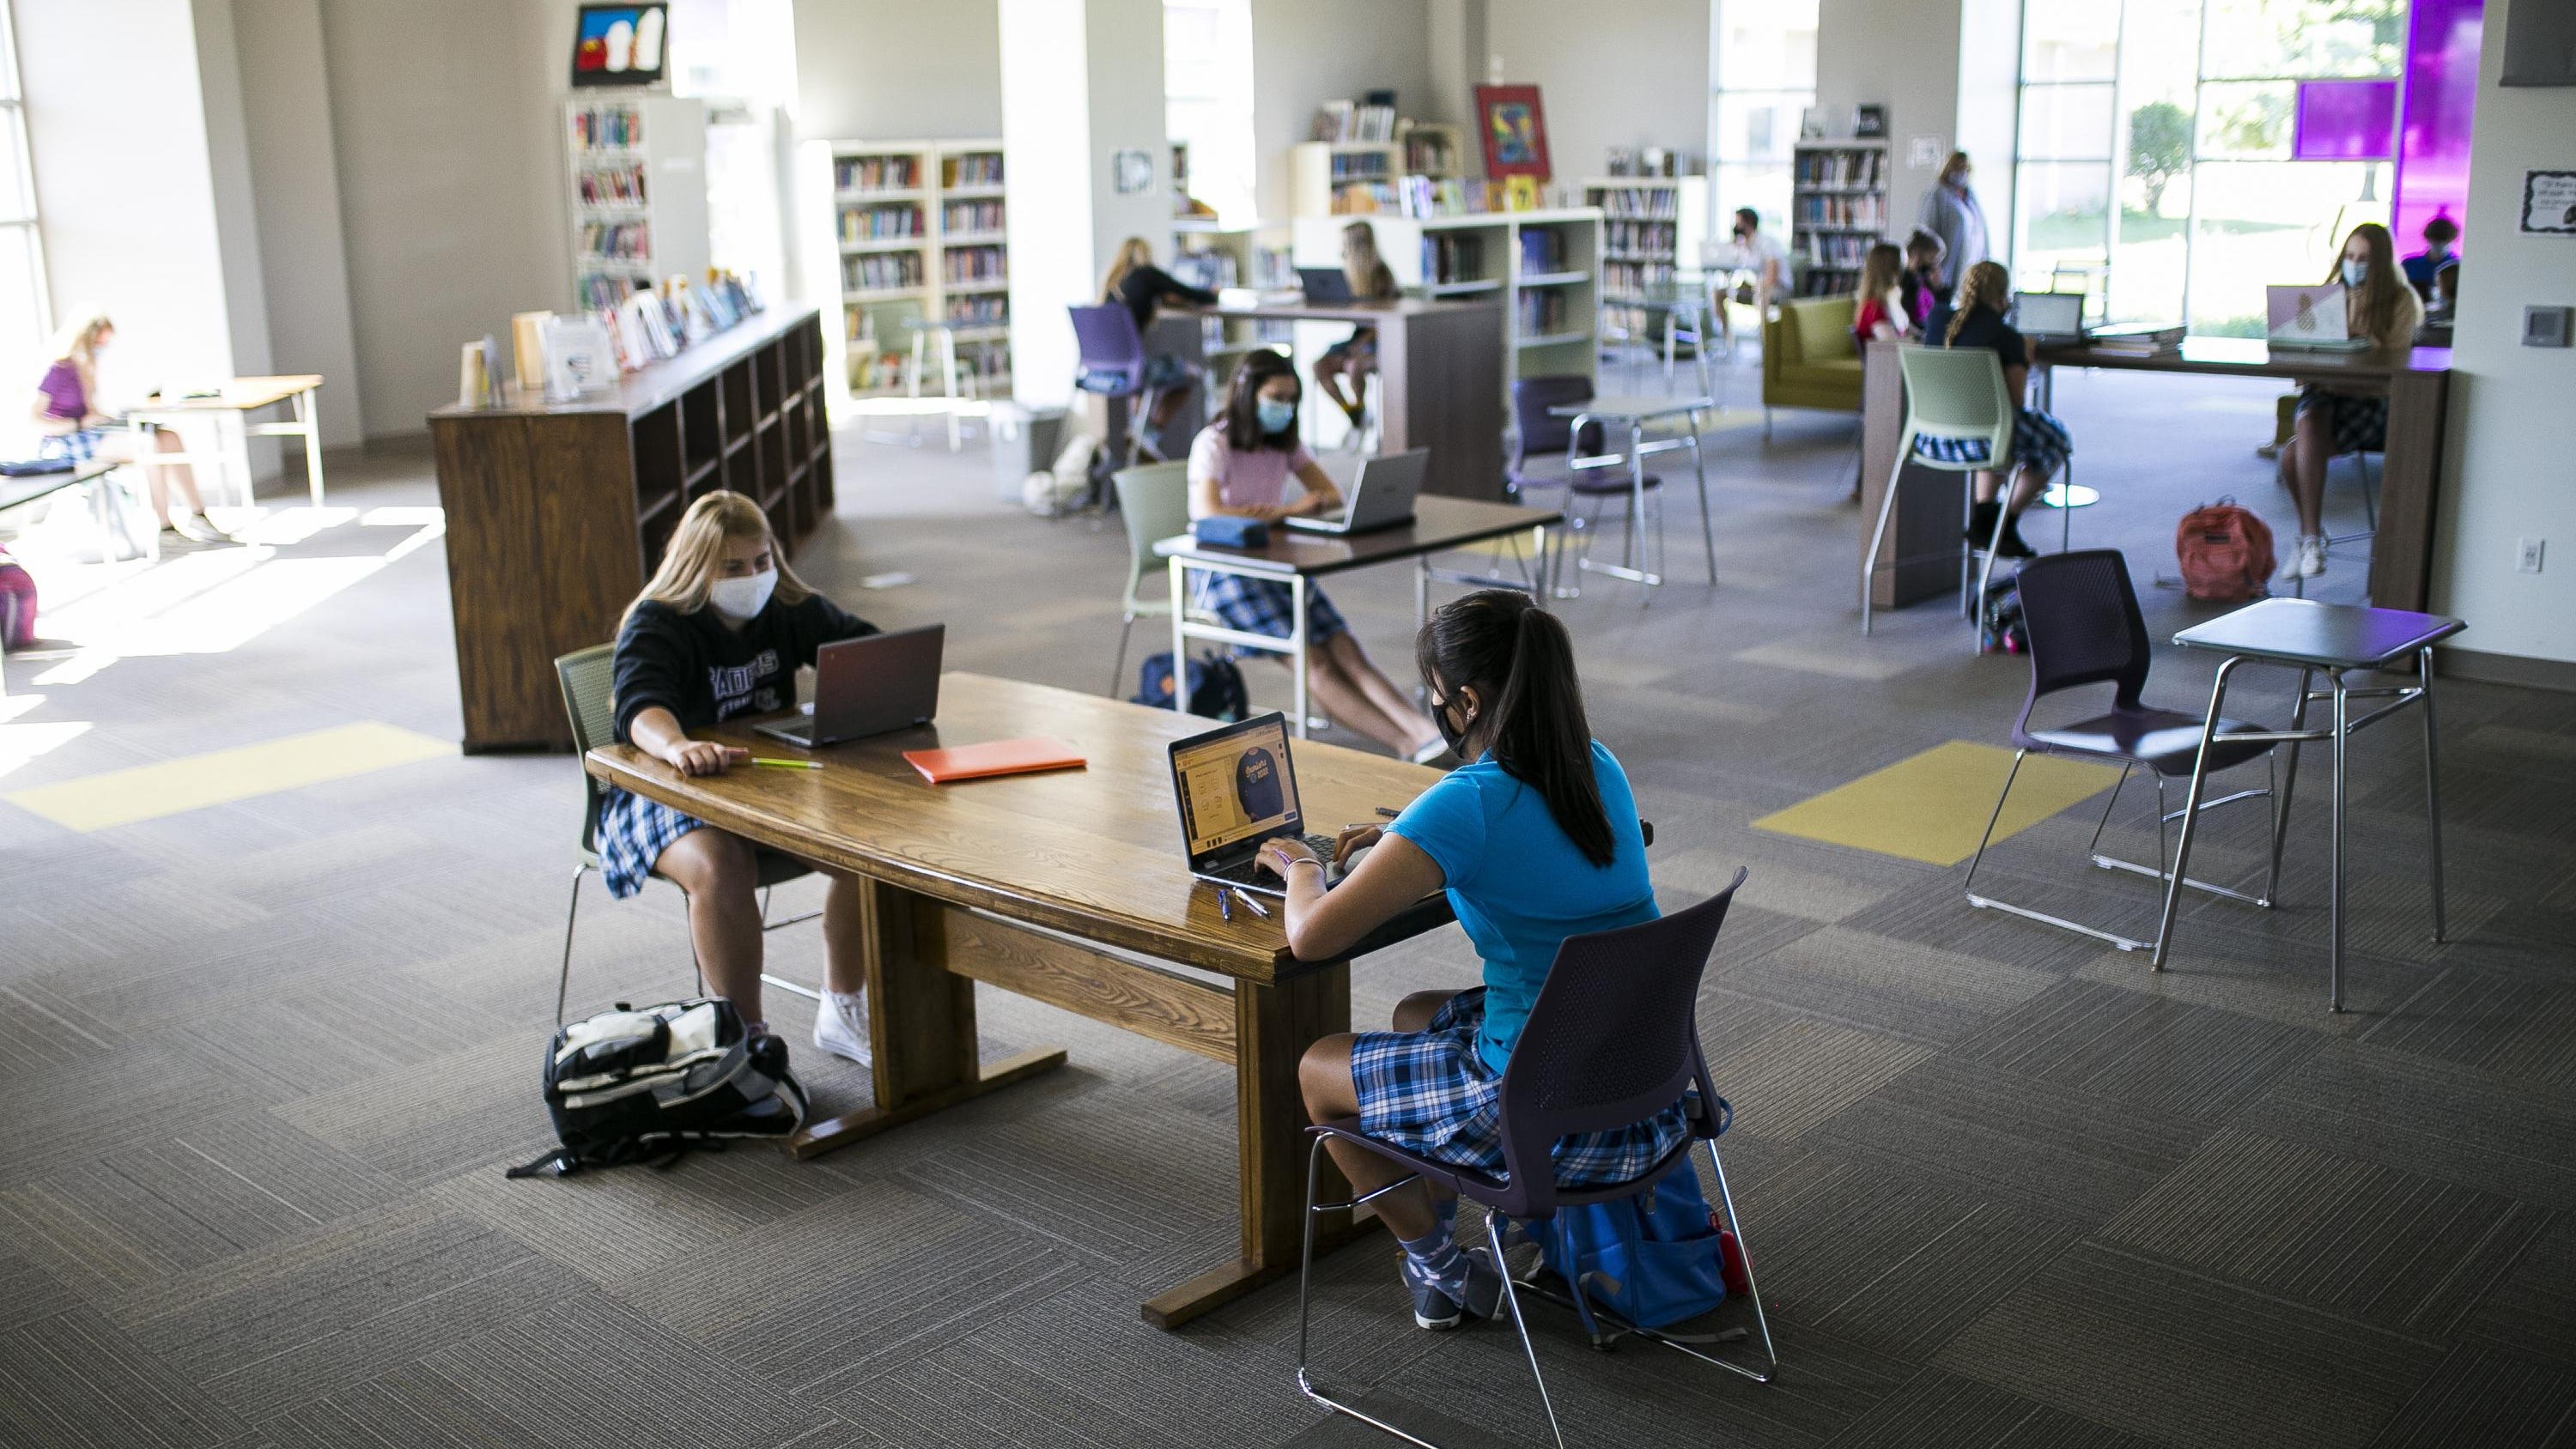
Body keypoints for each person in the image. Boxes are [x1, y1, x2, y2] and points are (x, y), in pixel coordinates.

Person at [1276, 589, 1674, 1331]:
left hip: (1547, 1113)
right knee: (1415, 1014)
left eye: (1433, 695)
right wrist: (1408, 836)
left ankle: (1440, 1270)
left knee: (1318, 1070)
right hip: (1642, 1083)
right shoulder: (1595, 763)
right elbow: (1510, 827)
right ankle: (1448, 1196)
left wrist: (1302, 865)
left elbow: (1312, 937)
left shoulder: (1466, 805)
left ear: (1464, 699)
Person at [604, 491, 881, 1065]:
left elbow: (863, 648)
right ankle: (744, 1036)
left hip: (764, 783)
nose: (752, 577)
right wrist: (678, 745)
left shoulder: (785, 604)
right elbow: (639, 710)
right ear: (695, 567)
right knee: (723, 863)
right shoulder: (659, 622)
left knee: (875, 846)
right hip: (663, 786)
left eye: (760, 561)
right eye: (732, 568)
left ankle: (843, 1003)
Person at [1186, 349, 1443, 761]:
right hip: (1223, 572)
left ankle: (1422, 729)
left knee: (1345, 647)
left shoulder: (1283, 444)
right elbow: (1207, 513)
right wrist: (1286, 510)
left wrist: (1277, 513)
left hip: (1276, 563)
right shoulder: (1213, 442)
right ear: (1246, 394)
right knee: (1315, 661)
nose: (1284, 408)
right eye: (1276, 398)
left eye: (1291, 399)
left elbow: (1328, 493)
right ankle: (1406, 743)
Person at [2277, 221, 2423, 579]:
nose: (2355, 264)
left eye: (2365, 259)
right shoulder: (2327, 297)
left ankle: (2309, 539)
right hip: (2326, 393)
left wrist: (2361, 343)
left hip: (2370, 399)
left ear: (2382, 262)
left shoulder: (2401, 301)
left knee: (2294, 454)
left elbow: (2393, 363)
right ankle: (2312, 538)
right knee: (2306, 426)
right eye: (2350, 256)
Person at [1921, 260, 2075, 561]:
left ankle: (1984, 515)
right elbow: (2014, 403)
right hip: (1983, 437)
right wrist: (2024, 359)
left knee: (1989, 428)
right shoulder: (2007, 338)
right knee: (2056, 440)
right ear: (2003, 295)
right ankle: (2005, 522)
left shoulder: (1938, 321)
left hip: (1932, 438)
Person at [27, 311, 218, 542]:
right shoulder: (58, 370)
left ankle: (197, 513)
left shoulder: (84, 368)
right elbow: (35, 420)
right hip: (65, 441)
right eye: (99, 343)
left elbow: (90, 411)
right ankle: (164, 527)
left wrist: (113, 418)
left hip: (88, 432)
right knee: (148, 445)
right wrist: (77, 423)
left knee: (169, 438)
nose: (102, 348)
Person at [1100, 237, 1218, 460]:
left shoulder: (1110, 285)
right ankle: (1148, 435)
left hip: (1105, 371)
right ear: (1147, 256)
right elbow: (1192, 293)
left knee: (1144, 376)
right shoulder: (1147, 275)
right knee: (1192, 373)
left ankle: (1138, 434)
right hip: (1135, 371)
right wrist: (1214, 292)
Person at [1311, 221, 1400, 433]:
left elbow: (1387, 320)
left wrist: (1361, 344)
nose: (1341, 251)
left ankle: (1360, 407)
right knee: (1319, 366)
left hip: (1378, 340)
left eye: (1345, 245)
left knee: (1354, 367)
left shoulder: (1381, 276)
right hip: (1356, 339)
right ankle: (1353, 413)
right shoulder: (1347, 276)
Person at [1705, 207, 1788, 352]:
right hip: (1755, 287)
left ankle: (1766, 347)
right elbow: (1731, 269)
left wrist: (1758, 288)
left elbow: (1772, 276)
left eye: (1738, 223)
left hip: (1778, 288)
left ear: (1748, 223)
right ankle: (1727, 342)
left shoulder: (1766, 243)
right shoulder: (1744, 245)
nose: (1736, 227)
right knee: (1717, 293)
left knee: (1762, 293)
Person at [1915, 152, 1990, 284]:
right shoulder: (1937, 195)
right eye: (1958, 168)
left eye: (1965, 169)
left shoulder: (1970, 197)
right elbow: (1928, 230)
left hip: (1970, 263)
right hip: (1946, 266)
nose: (1962, 173)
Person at [1852, 241, 1911, 345]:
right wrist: (1917, 343)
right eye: (1901, 268)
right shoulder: (1873, 308)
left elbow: (1907, 329)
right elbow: (1890, 343)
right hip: (1883, 359)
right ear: (1892, 272)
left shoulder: (1889, 301)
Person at [2399, 213, 2460, 303]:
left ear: (2452, 240)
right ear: (2427, 238)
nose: (2440, 245)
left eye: (2444, 241)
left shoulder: (2456, 267)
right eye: (2436, 241)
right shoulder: (2409, 264)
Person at [1899, 228, 1947, 330]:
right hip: (1915, 332)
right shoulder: (1903, 281)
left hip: (1929, 329)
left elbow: (1942, 312)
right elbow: (1906, 310)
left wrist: (1939, 288)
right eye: (1934, 258)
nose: (1936, 263)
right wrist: (1911, 274)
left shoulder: (1926, 280)